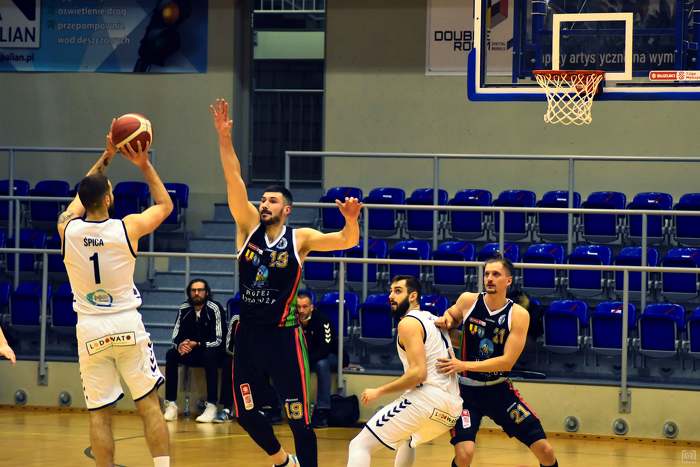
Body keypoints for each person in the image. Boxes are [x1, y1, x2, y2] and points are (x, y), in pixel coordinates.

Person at [210, 97, 361, 467]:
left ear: (286, 209)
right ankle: (281, 460)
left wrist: (351, 219)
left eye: (272, 200)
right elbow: (233, 178)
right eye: (262, 199)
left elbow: (346, 241)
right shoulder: (247, 227)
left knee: (299, 420)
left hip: (283, 338)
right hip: (248, 336)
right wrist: (224, 137)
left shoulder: (300, 238)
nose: (264, 204)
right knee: (245, 413)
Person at [58, 129, 173, 467]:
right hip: (126, 323)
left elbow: (82, 195)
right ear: (109, 198)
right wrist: (143, 164)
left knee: (99, 413)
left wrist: (106, 156)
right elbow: (165, 205)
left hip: (90, 328)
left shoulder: (67, 229)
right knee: (149, 404)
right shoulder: (128, 227)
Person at [435, 256, 558, 467]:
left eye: (496, 274)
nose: (489, 278)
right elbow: (452, 315)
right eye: (487, 274)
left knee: (545, 450)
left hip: (499, 391)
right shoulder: (468, 300)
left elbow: (506, 362)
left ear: (508, 281)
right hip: (464, 393)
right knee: (465, 454)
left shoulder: (518, 315)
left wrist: (464, 365)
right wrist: (447, 319)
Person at [346, 275, 462, 467]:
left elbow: (418, 374)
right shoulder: (433, 319)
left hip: (427, 400)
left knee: (360, 445)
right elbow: (461, 341)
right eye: (390, 291)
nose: (391, 296)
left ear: (413, 296)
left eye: (398, 291)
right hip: (451, 409)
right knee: (408, 438)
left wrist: (378, 391)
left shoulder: (408, 323)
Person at [164, 278, 225, 423]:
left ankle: (211, 405)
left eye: (200, 290)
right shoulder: (184, 308)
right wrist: (180, 345)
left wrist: (197, 343)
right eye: (193, 290)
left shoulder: (214, 308)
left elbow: (219, 339)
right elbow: (175, 335)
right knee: (171, 354)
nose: (196, 293)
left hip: (211, 350)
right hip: (191, 351)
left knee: (210, 356)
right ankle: (171, 404)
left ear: (206, 292)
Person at [297, 291, 349, 428]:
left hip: (332, 356)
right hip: (308, 357)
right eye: (299, 307)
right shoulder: (293, 321)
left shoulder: (322, 320)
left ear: (311, 307)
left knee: (322, 364)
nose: (301, 310)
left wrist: (304, 361)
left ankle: (322, 410)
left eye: (305, 306)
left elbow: (324, 350)